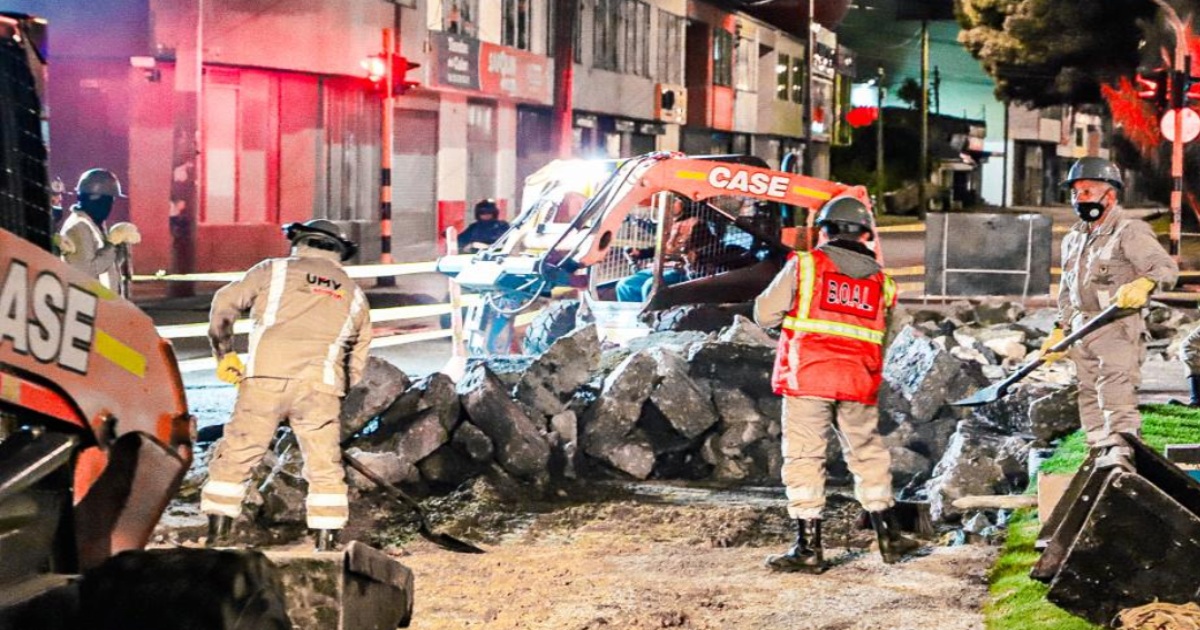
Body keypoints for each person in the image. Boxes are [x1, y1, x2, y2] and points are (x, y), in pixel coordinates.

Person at [754, 196, 918, 573]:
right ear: (864, 235)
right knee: (867, 453)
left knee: (805, 456)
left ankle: (809, 549)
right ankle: (889, 538)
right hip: (857, 379)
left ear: (824, 230)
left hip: (807, 375)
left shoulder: (806, 266)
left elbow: (765, 312)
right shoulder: (882, 281)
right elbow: (888, 335)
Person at [200, 219, 372, 552]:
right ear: (340, 252)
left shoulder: (273, 270)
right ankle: (326, 543)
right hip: (320, 386)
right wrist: (336, 390)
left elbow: (225, 304)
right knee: (324, 465)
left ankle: (218, 537)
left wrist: (224, 355)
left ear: (299, 242)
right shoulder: (354, 294)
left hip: (265, 378)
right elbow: (357, 362)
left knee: (237, 454)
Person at [1040, 157, 1178, 450]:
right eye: (1075, 193)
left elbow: (1165, 269)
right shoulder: (1075, 237)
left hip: (1115, 327)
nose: (1079, 199)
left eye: (1087, 192)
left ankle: (1122, 461)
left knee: (1115, 396)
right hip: (1081, 327)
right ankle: (1097, 455)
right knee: (1088, 395)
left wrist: (1144, 284)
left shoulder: (1130, 232)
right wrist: (1060, 328)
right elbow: (1067, 289)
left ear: (1110, 195)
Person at [58, 168, 140, 290]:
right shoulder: (78, 227)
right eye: (108, 201)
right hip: (90, 305)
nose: (110, 206)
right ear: (96, 199)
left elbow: (107, 265)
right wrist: (111, 245)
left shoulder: (94, 224)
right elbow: (86, 272)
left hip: (104, 304)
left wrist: (120, 246)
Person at [616, 199, 702, 302]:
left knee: (650, 286)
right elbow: (663, 248)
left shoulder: (696, 225)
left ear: (684, 203)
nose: (669, 204)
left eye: (675, 200)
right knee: (625, 285)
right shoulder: (668, 224)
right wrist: (641, 253)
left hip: (681, 270)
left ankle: (650, 316)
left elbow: (694, 252)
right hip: (660, 267)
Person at [1172, 327, 1200, 407]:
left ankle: (1196, 400)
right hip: (1192, 350)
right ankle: (1196, 401)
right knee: (1196, 370)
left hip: (1191, 351)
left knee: (1195, 369)